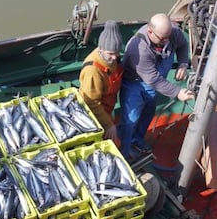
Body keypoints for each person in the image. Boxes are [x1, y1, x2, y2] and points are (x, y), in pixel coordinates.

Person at [118, 13, 194, 159]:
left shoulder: (172, 32)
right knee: (130, 121)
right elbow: (153, 79)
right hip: (135, 82)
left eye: (168, 37)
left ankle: (137, 141)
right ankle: (124, 153)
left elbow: (183, 45)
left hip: (155, 82)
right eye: (162, 39)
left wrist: (183, 63)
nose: (166, 41)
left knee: (148, 112)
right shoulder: (138, 50)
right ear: (150, 32)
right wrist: (178, 92)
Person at [79, 20, 123, 142]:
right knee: (114, 144)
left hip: (108, 106)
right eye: (110, 54)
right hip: (95, 111)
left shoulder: (112, 58)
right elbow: (91, 102)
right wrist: (108, 125)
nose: (114, 58)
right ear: (101, 49)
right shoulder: (93, 71)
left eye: (117, 53)